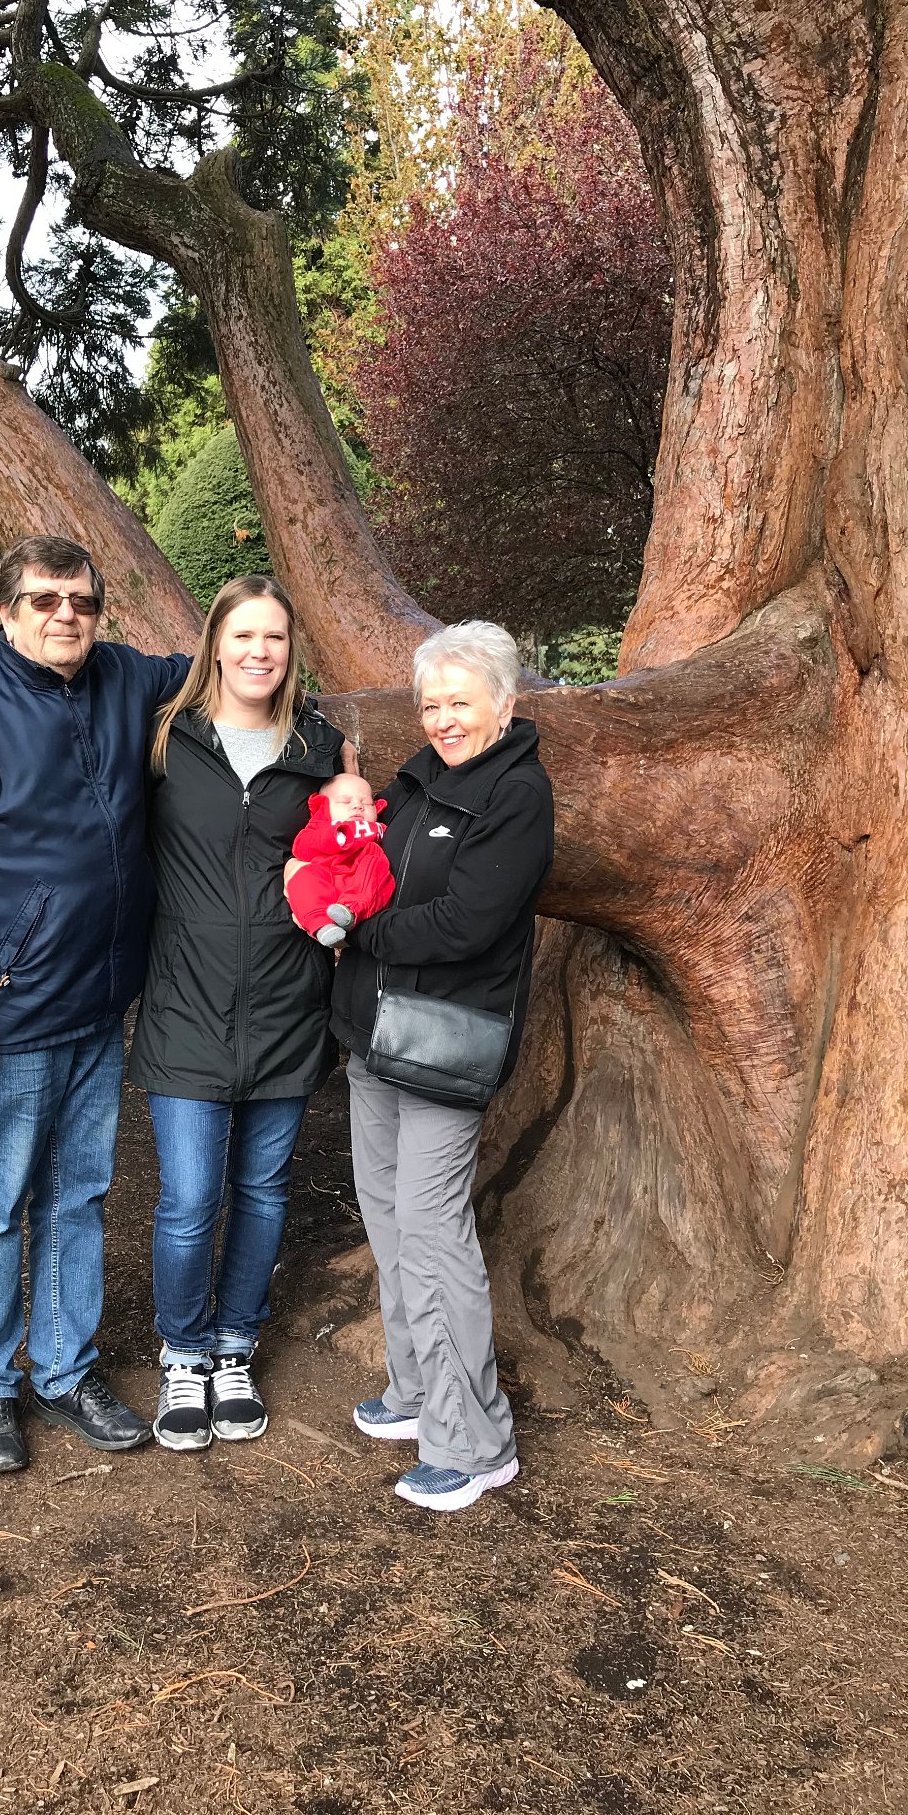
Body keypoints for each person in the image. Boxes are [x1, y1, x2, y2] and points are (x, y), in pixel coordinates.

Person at [0, 535, 189, 1476]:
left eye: (81, 601)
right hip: (5, 1014)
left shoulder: (127, 679)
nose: (66, 616)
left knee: (78, 1197)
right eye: (45, 600)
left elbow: (229, 669)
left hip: (100, 1003)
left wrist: (337, 746)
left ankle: (64, 1371)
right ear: (7, 611)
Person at [329, 620, 554, 1514]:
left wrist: (358, 930)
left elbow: (468, 922)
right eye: (432, 704)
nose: (444, 719)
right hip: (375, 1035)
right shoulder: (421, 778)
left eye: (461, 702)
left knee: (431, 1231)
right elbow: (366, 860)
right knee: (390, 1222)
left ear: (505, 704)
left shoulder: (517, 794)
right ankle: (419, 1388)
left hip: (443, 1043)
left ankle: (474, 1443)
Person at [126, 576, 349, 1451]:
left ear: (293, 652)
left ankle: (233, 1347)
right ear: (214, 642)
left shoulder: (320, 748)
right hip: (185, 1001)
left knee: (262, 1191)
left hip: (290, 1002)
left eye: (276, 638)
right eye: (245, 635)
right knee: (189, 1199)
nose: (260, 652)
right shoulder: (164, 738)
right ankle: (183, 1353)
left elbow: (346, 855)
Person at [284, 772, 394, 947]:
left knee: (376, 863)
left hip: (359, 887)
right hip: (326, 883)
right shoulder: (318, 828)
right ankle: (322, 925)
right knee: (304, 874)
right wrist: (338, 836)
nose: (358, 806)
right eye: (345, 801)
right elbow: (301, 849)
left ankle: (350, 911)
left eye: (367, 802)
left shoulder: (379, 831)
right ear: (323, 807)